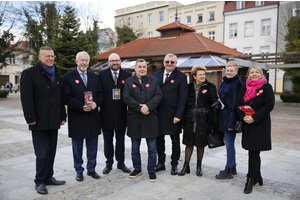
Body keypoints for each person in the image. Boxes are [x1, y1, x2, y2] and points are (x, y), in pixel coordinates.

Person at [20, 46, 66, 195]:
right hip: (38, 121)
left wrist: (62, 116)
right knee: (42, 153)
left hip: (53, 120)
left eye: (52, 56)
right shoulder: (29, 73)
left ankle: (48, 177)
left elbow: (59, 98)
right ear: (40, 58)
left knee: (51, 151)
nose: (51, 59)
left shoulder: (57, 74)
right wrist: (30, 117)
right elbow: (26, 98)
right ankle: (39, 180)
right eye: (47, 56)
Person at [63, 51, 103, 182]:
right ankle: (79, 170)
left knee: (92, 146)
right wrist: (81, 106)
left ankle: (91, 169)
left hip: (92, 116)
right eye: (81, 60)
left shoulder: (95, 77)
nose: (84, 62)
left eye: (86, 60)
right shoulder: (68, 77)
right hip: (77, 117)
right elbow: (66, 97)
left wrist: (96, 103)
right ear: (76, 62)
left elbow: (101, 95)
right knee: (77, 147)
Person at [236, 66, 275, 194]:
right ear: (248, 75)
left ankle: (250, 179)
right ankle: (257, 177)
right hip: (247, 122)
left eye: (257, 72)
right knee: (253, 151)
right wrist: (244, 117)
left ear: (261, 74)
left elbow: (269, 105)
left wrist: (254, 117)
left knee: (254, 152)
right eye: (251, 72)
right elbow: (238, 103)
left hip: (259, 123)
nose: (254, 74)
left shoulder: (266, 87)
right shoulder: (244, 87)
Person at [123, 59, 162, 182]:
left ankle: (151, 170)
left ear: (146, 68)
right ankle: (137, 168)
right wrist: (140, 108)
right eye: (139, 66)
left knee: (152, 148)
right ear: (135, 68)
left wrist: (148, 106)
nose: (142, 69)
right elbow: (126, 97)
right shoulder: (129, 81)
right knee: (135, 148)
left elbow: (158, 95)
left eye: (144, 67)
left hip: (151, 118)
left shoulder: (154, 81)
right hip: (134, 119)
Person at [178, 65, 219, 176]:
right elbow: (183, 103)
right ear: (194, 76)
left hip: (203, 120)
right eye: (200, 74)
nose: (203, 76)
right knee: (188, 143)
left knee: (200, 144)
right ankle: (185, 166)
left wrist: (213, 121)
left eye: (204, 74)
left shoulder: (210, 87)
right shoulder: (187, 87)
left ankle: (199, 166)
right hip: (189, 119)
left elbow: (214, 104)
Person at [154, 53, 188, 175]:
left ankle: (174, 164)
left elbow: (183, 98)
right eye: (167, 61)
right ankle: (161, 162)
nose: (169, 64)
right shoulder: (157, 74)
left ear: (176, 63)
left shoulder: (181, 77)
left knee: (175, 141)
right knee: (159, 140)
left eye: (172, 62)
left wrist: (178, 115)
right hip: (158, 113)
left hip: (173, 115)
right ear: (163, 62)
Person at [98, 53, 132, 174]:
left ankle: (121, 163)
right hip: (106, 114)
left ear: (120, 61)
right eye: (112, 61)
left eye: (117, 60)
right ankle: (109, 163)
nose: (115, 63)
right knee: (107, 141)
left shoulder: (127, 75)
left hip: (121, 114)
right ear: (108, 62)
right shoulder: (101, 75)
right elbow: (99, 93)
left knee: (120, 140)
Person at [215, 62, 243, 179]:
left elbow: (235, 105)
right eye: (227, 70)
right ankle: (233, 166)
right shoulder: (223, 82)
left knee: (229, 145)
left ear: (236, 72)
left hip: (230, 119)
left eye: (232, 71)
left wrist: (232, 123)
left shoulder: (237, 84)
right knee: (229, 144)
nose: (229, 72)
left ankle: (228, 170)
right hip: (223, 117)